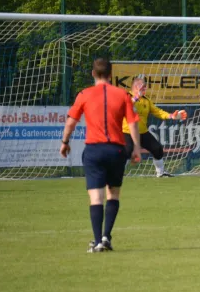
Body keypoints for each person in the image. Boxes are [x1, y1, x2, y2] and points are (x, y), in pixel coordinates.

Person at [60, 57, 141, 253]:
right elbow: (132, 123)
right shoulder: (122, 95)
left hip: (94, 151)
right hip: (116, 150)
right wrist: (137, 147)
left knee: (96, 197)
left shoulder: (84, 94)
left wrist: (65, 142)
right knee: (113, 193)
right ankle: (106, 237)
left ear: (93, 74)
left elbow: (71, 122)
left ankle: (97, 242)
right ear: (111, 75)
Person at [123, 76, 187, 177]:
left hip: (142, 132)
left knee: (157, 148)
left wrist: (172, 116)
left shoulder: (146, 101)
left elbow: (158, 112)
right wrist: (136, 97)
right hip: (127, 131)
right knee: (127, 151)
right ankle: (118, 174)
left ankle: (160, 173)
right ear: (136, 86)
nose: (145, 88)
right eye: (143, 86)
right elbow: (126, 105)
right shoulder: (126, 95)